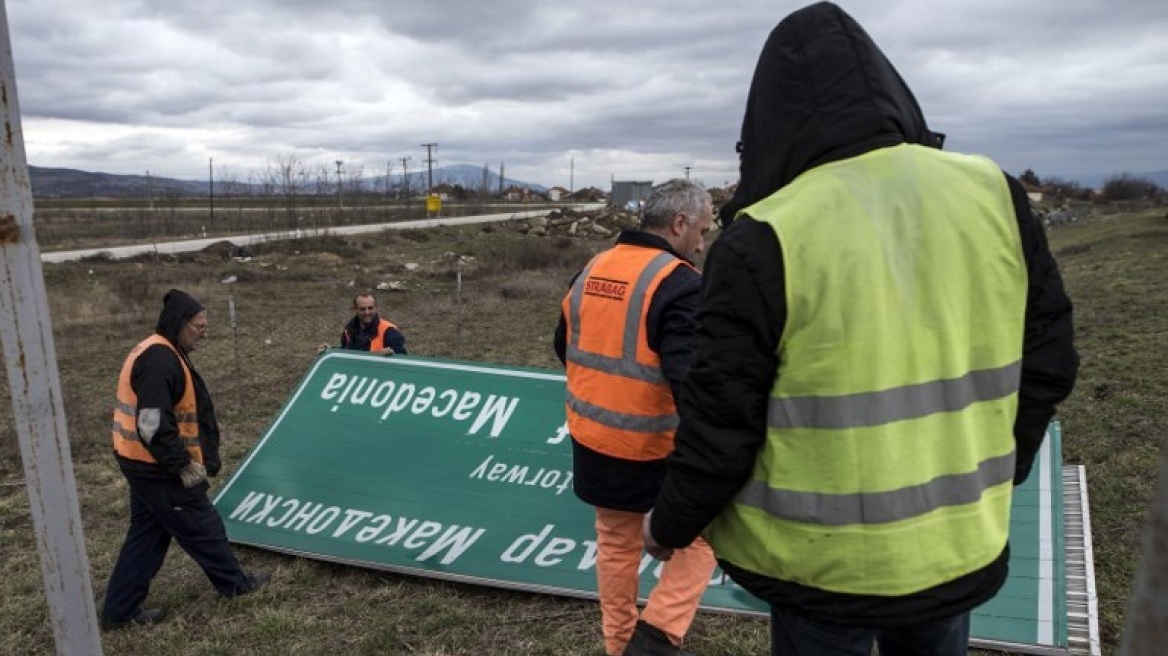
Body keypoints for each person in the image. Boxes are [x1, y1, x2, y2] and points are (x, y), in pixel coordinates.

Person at [642, 4, 1079, 656]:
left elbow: (723, 421)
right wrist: (996, 470)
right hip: (954, 551)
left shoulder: (764, 234)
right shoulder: (996, 195)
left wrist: (667, 525)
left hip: (820, 572)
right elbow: (1049, 360)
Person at [554, 179, 717, 656]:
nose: (703, 244)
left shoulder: (592, 267)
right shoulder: (681, 283)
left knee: (616, 546)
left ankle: (620, 644)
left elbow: (563, 345)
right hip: (654, 450)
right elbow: (692, 382)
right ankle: (658, 637)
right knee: (706, 538)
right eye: (702, 231)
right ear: (679, 223)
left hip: (592, 442)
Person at [103, 289, 269, 631]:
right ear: (179, 324)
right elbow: (151, 424)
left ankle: (119, 610)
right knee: (203, 525)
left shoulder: (160, 349)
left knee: (148, 534)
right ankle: (235, 585)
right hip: (158, 466)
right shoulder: (160, 360)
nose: (204, 332)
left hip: (139, 460)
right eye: (199, 326)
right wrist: (181, 465)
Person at [317, 292, 407, 356]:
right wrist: (329, 351)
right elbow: (346, 353)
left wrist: (391, 355)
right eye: (362, 309)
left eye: (370, 308)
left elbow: (403, 359)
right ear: (355, 309)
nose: (367, 312)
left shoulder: (389, 331)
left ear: (376, 308)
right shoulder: (349, 330)